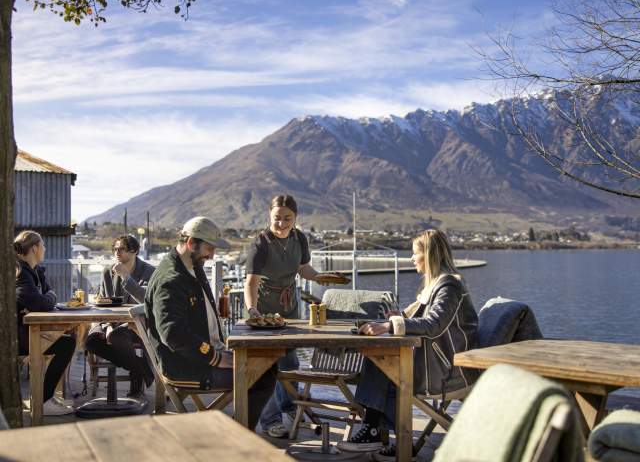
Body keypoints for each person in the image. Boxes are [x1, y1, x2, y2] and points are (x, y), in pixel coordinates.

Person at [337, 229, 479, 461]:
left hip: (448, 370)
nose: (411, 258)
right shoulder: (434, 286)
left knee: (383, 363)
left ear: (430, 255)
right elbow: (415, 314)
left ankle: (375, 431)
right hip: (434, 362)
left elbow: (434, 324)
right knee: (380, 358)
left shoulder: (449, 286)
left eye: (415, 253)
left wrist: (390, 326)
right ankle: (382, 433)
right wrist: (396, 317)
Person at [145, 216, 277, 430]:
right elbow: (173, 334)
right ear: (191, 243)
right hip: (187, 367)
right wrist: (215, 358)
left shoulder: (191, 266)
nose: (212, 255)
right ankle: (238, 437)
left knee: (267, 364)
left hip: (202, 356)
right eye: (209, 248)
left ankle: (237, 432)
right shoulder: (170, 279)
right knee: (263, 375)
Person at [244, 194, 325, 438]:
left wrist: (320, 277)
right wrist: (252, 310)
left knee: (290, 362)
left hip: (290, 307)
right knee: (267, 365)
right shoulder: (260, 243)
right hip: (264, 309)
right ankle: (270, 420)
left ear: (295, 217)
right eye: (277, 218)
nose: (281, 223)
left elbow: (302, 268)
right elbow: (251, 282)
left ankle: (290, 407)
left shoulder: (299, 237)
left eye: (287, 218)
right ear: (269, 216)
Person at [85, 234, 155, 397]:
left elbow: (147, 301)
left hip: (139, 325)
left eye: (122, 249)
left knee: (118, 336)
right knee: (91, 342)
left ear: (135, 251)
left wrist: (126, 277)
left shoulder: (149, 272)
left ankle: (136, 378)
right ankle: (139, 368)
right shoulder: (108, 272)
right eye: (115, 249)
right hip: (112, 322)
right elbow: (103, 301)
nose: (117, 252)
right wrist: (108, 326)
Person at [15, 230, 76, 416]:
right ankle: (43, 401)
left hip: (27, 331)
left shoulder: (35, 271)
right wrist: (46, 298)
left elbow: (48, 296)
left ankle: (46, 398)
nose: (45, 248)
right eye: (43, 245)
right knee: (67, 344)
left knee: (68, 339)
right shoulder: (20, 272)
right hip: (16, 337)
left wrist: (46, 298)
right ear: (35, 248)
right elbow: (40, 302)